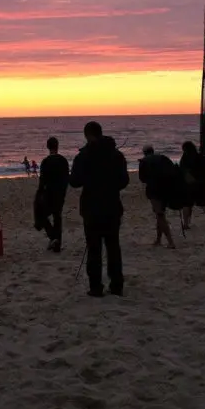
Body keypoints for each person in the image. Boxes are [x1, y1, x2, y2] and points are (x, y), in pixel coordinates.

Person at [69, 121, 129, 297]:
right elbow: (124, 181)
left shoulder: (83, 156)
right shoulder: (117, 155)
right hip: (112, 206)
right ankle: (116, 285)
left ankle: (96, 287)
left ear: (87, 135)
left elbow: (74, 182)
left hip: (91, 209)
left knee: (94, 248)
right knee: (113, 247)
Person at [35, 136, 69, 252]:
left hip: (49, 194)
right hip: (60, 193)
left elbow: (42, 180)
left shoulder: (46, 162)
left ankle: (53, 237)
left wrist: (39, 194)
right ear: (57, 146)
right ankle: (57, 245)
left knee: (42, 215)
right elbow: (66, 178)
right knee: (57, 217)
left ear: (47, 147)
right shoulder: (63, 161)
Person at [138, 145, 177, 248]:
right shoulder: (163, 158)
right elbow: (173, 171)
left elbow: (142, 178)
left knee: (160, 215)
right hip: (167, 189)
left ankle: (170, 242)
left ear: (144, 152)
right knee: (160, 214)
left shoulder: (144, 161)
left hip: (154, 190)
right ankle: (158, 240)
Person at [180, 140, 205, 230]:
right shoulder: (200, 157)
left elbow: (182, 171)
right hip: (202, 184)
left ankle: (186, 224)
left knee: (186, 205)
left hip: (189, 185)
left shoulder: (185, 158)